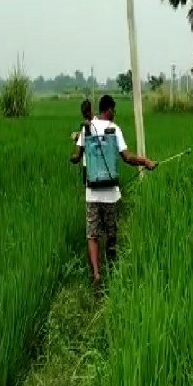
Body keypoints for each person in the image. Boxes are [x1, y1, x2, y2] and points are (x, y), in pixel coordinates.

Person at [70, 94, 156, 293]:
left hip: (92, 191)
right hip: (110, 193)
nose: (114, 114)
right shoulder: (114, 129)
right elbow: (127, 158)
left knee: (92, 234)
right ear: (108, 110)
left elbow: (77, 155)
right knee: (111, 233)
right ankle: (112, 266)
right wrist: (145, 162)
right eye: (114, 110)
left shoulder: (87, 128)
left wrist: (74, 159)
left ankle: (97, 274)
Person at [70, 99, 95, 186]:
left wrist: (72, 158)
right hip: (104, 167)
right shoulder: (101, 124)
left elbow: (78, 155)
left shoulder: (84, 129)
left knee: (90, 193)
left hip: (88, 167)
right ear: (92, 110)